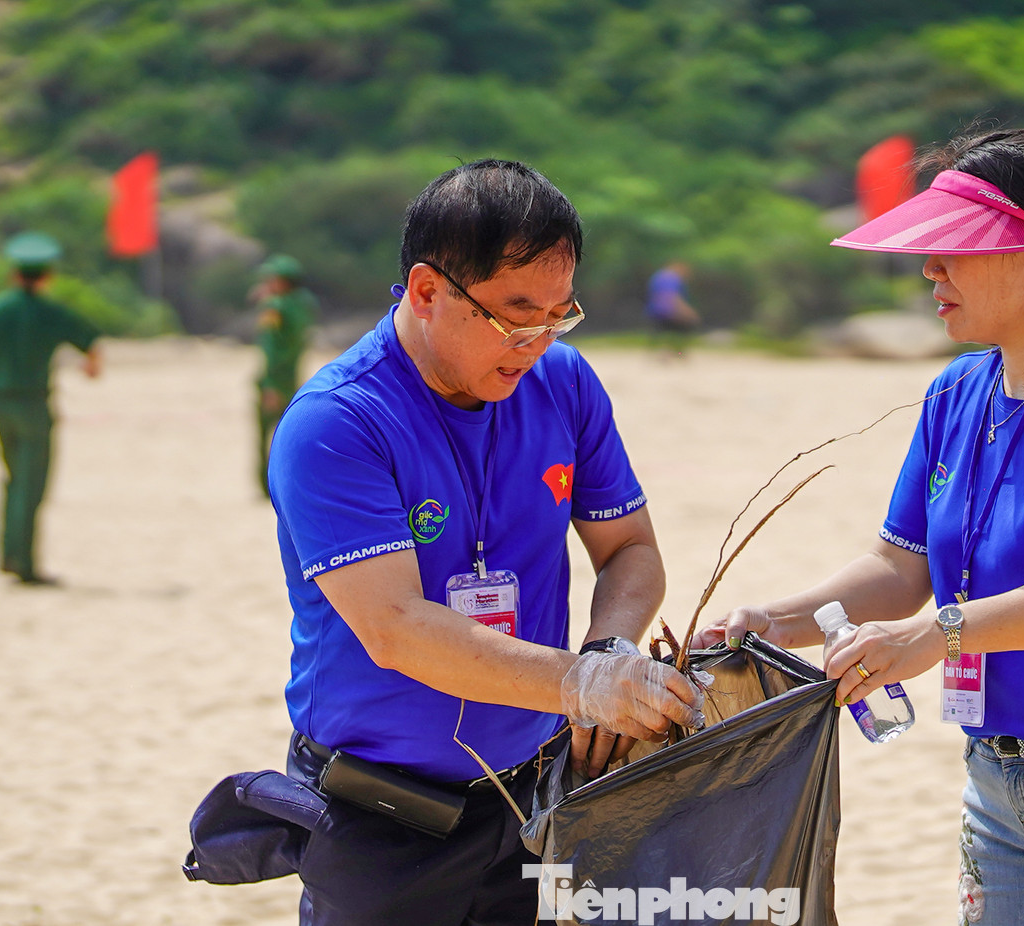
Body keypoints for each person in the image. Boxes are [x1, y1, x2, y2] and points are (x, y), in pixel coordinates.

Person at [700, 128, 1024, 925]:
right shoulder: (956, 393)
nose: (930, 269)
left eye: (956, 247)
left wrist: (930, 640)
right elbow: (898, 567)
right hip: (996, 781)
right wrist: (769, 623)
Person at [266, 159, 704, 925]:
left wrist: (606, 652)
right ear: (429, 291)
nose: (535, 341)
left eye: (559, 315)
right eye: (514, 313)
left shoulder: (563, 382)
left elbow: (631, 549)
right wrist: (578, 686)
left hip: (534, 802)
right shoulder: (338, 422)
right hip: (383, 817)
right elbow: (395, 629)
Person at [0, 232, 102, 584]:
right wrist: (89, 368)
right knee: (32, 485)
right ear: (47, 276)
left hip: (0, 405)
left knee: (12, 480)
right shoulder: (50, 312)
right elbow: (91, 344)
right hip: (34, 405)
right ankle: (24, 564)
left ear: (14, 274)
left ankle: (8, 554)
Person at [251, 253, 316, 495]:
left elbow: (271, 349)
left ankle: (266, 487)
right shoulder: (305, 303)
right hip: (295, 380)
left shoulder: (276, 308)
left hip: (275, 381)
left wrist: (269, 385)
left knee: (265, 435)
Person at [645, 260, 701, 357]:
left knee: (659, 333)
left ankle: (662, 350)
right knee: (687, 327)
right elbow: (672, 297)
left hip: (654, 312)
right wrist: (687, 312)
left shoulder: (658, 276)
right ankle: (676, 352)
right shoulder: (671, 278)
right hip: (668, 312)